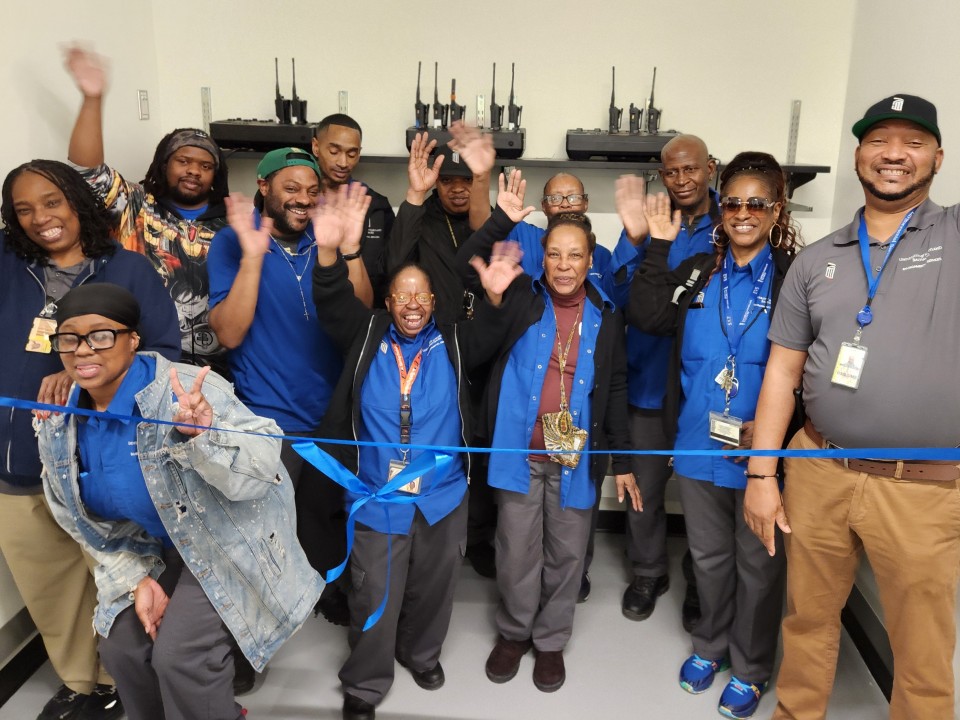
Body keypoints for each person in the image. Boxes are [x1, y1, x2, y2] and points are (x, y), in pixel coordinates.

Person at [744, 95, 960, 720]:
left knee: (922, 653)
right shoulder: (818, 259)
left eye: (913, 142)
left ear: (938, 158)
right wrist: (762, 474)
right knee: (806, 620)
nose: (894, 154)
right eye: (879, 140)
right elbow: (783, 370)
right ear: (858, 154)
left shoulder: (952, 233)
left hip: (921, 489)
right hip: (818, 468)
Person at [35, 282, 322, 720]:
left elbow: (265, 467)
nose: (83, 350)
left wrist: (205, 439)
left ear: (133, 340)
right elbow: (78, 519)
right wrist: (135, 579)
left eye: (101, 335)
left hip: (225, 539)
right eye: (69, 338)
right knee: (121, 650)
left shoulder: (184, 389)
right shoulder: (60, 422)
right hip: (152, 548)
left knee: (181, 656)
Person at [304, 185, 521, 720]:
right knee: (373, 589)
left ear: (434, 302)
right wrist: (330, 252)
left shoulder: (451, 340)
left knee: (435, 583)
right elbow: (331, 301)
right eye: (402, 295)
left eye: (422, 296)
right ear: (387, 301)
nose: (413, 305)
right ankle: (366, 680)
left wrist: (493, 298)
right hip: (377, 495)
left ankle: (421, 653)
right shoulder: (366, 333)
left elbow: (492, 334)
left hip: (442, 496)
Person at [0, 159, 180, 720]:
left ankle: (132, 678)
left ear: (78, 200)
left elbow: (165, 355)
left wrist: (86, 370)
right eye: (24, 209)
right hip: (19, 461)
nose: (40, 219)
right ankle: (86, 682)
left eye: (52, 202)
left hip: (100, 466)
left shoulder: (127, 269)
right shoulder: (6, 265)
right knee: (50, 586)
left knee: (123, 579)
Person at [628, 152, 800, 719]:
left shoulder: (794, 277)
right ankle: (710, 646)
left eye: (757, 203)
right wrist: (654, 244)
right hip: (698, 447)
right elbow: (648, 314)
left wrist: (784, 426)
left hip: (761, 457)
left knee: (759, 563)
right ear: (719, 208)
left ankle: (750, 667)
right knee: (709, 559)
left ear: (777, 210)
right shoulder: (699, 270)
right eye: (733, 203)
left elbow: (809, 368)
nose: (743, 213)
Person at [476, 203, 641, 693]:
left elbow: (613, 388)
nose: (564, 265)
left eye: (575, 255)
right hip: (518, 455)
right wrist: (489, 299)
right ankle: (513, 632)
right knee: (515, 552)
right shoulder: (520, 303)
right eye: (554, 255)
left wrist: (624, 461)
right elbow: (478, 349)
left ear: (592, 261)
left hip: (574, 458)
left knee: (568, 554)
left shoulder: (607, 317)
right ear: (542, 259)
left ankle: (550, 641)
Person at [208, 148, 371, 626]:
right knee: (265, 529)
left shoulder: (327, 238)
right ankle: (263, 622)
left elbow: (359, 318)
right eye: (291, 188)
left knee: (326, 516)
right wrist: (253, 257)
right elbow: (229, 333)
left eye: (311, 190)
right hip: (266, 416)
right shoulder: (231, 242)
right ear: (264, 187)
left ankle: (326, 592)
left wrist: (349, 249)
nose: (304, 199)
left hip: (332, 411)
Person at [64, 46, 231, 376]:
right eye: (183, 161)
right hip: (142, 357)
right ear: (164, 165)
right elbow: (85, 172)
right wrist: (92, 99)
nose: (194, 171)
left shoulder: (233, 220)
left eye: (205, 166)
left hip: (221, 364)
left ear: (216, 175)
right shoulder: (135, 206)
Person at [615, 134, 718, 627]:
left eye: (690, 169)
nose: (680, 180)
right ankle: (648, 570)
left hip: (706, 389)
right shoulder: (653, 219)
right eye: (671, 172)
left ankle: (702, 582)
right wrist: (637, 239)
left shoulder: (732, 221)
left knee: (707, 495)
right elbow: (617, 293)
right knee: (644, 489)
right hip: (648, 380)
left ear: (710, 168)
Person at [383, 125, 493, 323]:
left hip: (482, 334)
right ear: (436, 181)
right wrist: (416, 194)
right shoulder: (419, 215)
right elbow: (394, 270)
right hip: (434, 336)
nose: (457, 188)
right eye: (447, 180)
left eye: (467, 180)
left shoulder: (490, 219)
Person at [312, 113, 395, 301]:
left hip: (358, 315)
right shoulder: (298, 201)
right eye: (334, 152)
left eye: (352, 154)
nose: (343, 163)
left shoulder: (376, 205)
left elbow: (388, 273)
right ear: (316, 147)